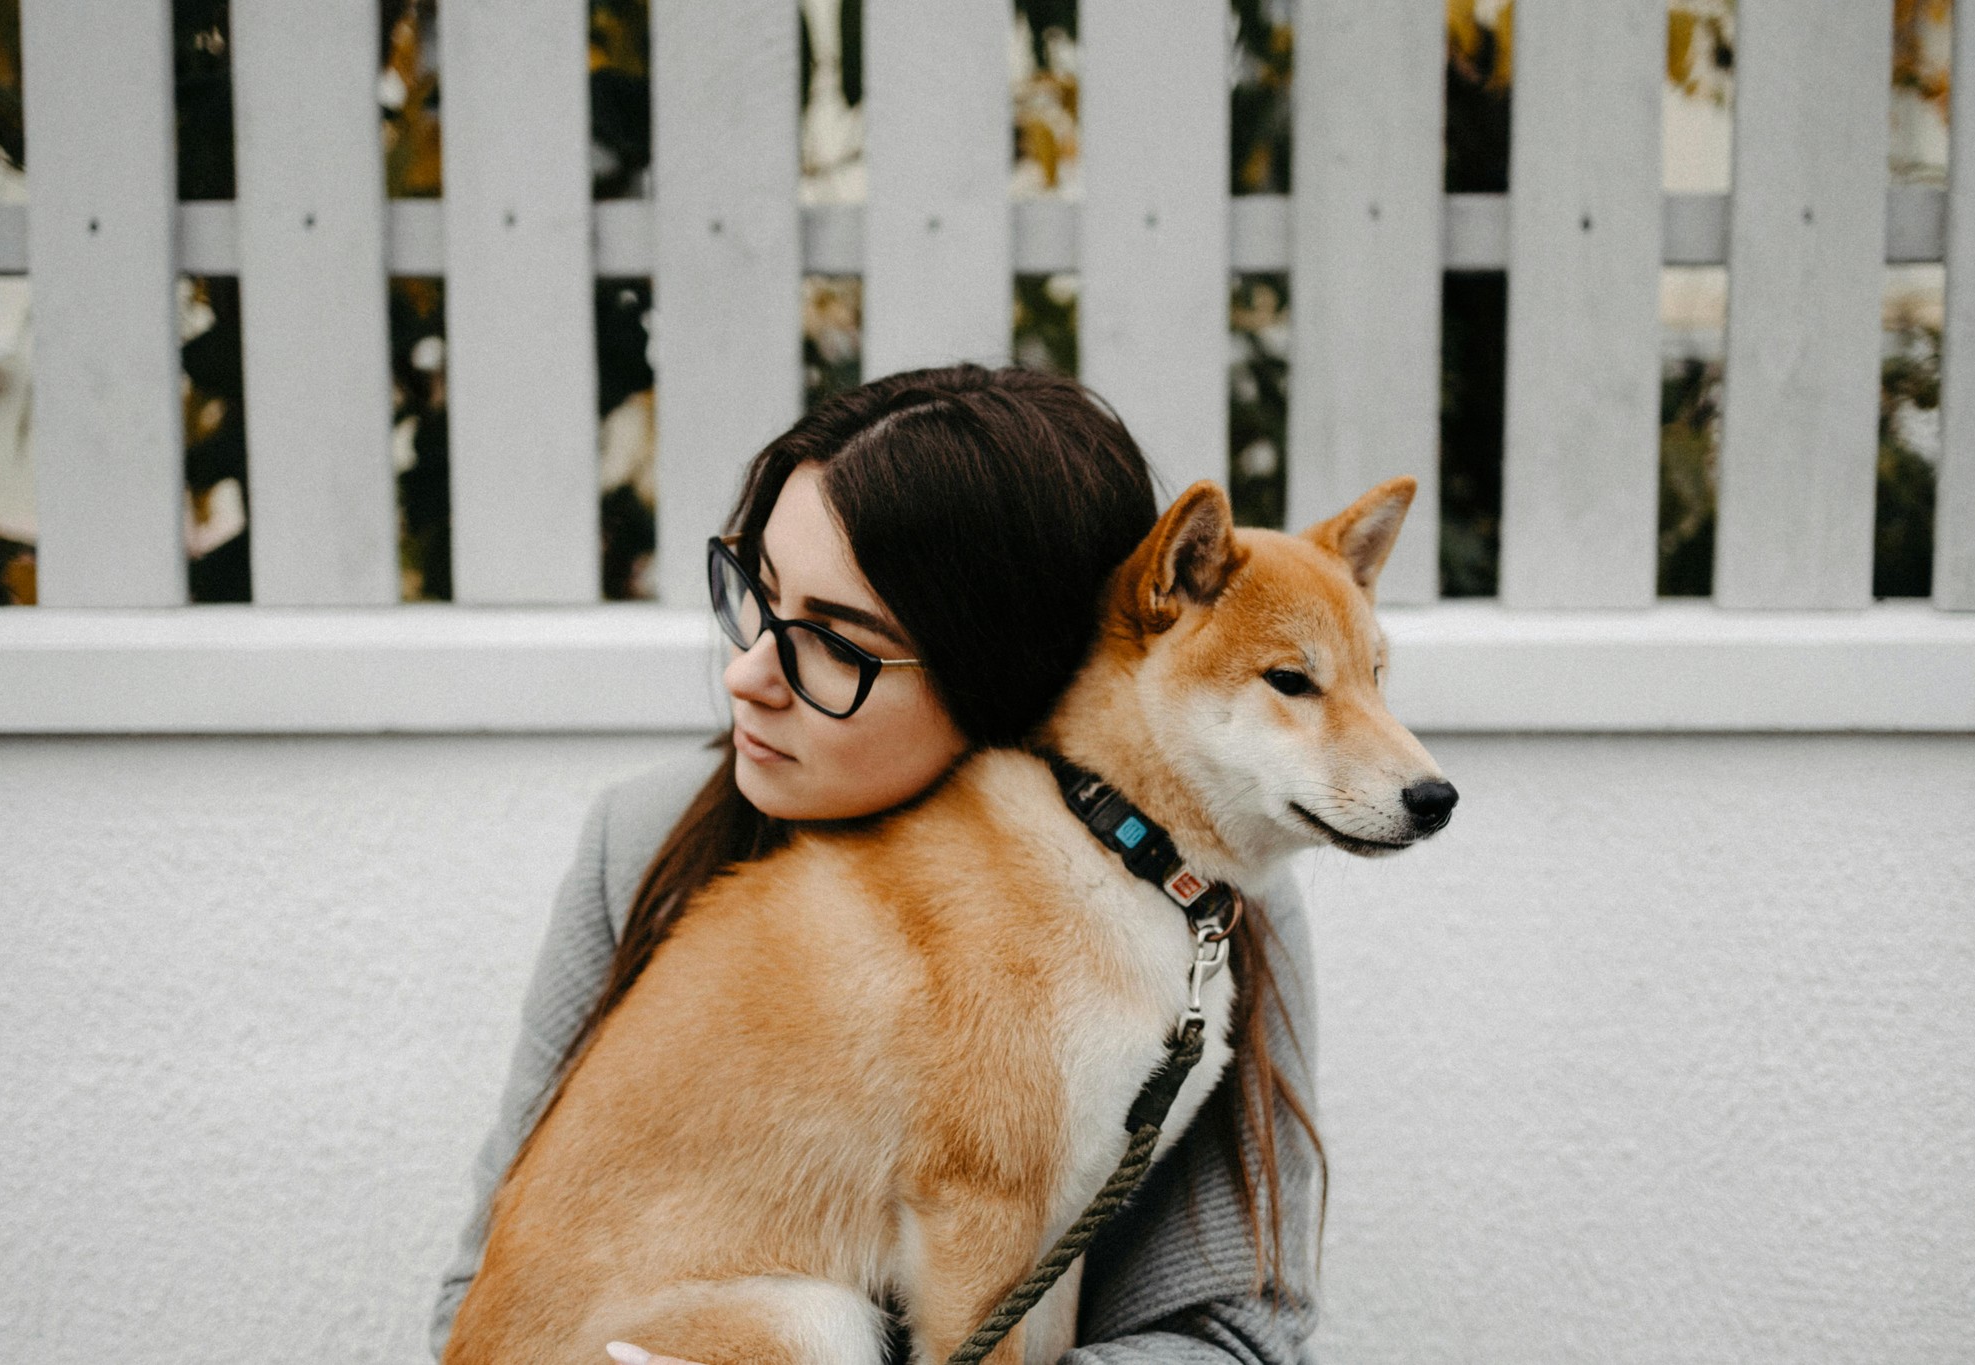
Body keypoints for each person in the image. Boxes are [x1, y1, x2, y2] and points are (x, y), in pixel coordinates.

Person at [428, 363, 1323, 1365]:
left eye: (835, 643)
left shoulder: (1189, 900)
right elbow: (483, 1299)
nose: (747, 673)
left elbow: (1231, 1333)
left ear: (1003, 676)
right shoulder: (645, 840)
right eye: (754, 594)